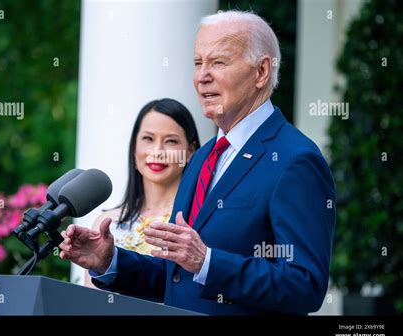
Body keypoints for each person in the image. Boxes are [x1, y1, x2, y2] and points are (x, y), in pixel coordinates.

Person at [60, 10, 336, 315]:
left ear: (261, 72)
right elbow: (177, 277)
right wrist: (110, 261)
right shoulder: (204, 157)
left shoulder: (295, 160)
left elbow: (305, 285)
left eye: (218, 62)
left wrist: (207, 261)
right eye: (197, 63)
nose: (203, 75)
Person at [83, 98, 200, 287]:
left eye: (171, 141)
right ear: (134, 146)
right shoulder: (108, 224)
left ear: (190, 151)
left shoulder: (195, 222)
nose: (157, 151)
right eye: (148, 139)